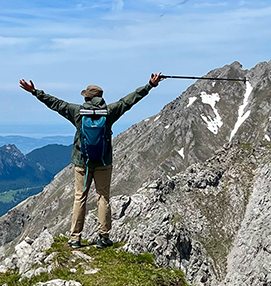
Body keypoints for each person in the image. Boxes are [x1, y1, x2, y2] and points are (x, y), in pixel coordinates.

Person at [19, 73, 163, 248]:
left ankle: (75, 238)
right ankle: (103, 237)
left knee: (80, 198)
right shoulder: (110, 112)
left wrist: (35, 91)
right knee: (103, 197)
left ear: (87, 97)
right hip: (103, 162)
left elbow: (56, 104)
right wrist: (149, 85)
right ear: (101, 98)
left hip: (82, 163)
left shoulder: (77, 112)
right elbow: (129, 101)